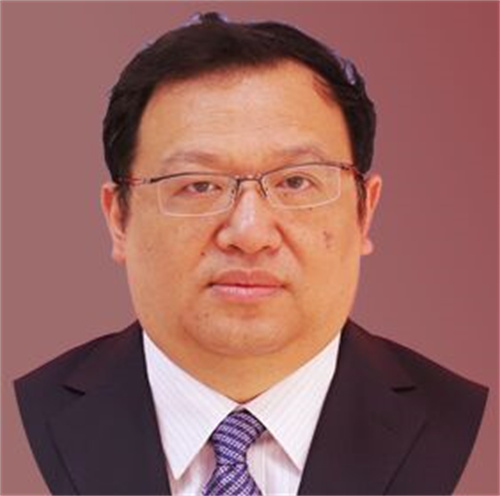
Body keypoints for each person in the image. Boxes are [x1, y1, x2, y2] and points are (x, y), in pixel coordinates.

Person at [14, 12, 488, 496]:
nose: (249, 233)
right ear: (119, 218)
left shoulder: (470, 426)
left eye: (296, 181)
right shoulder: (22, 419)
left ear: (365, 211)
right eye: (198, 185)